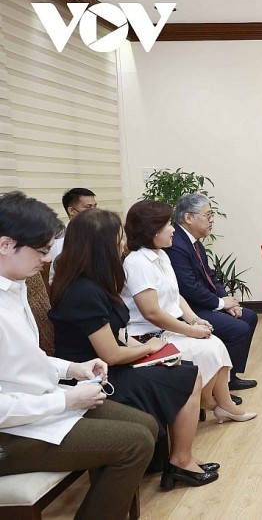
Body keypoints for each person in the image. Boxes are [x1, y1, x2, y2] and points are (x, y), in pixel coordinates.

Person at [0, 191, 157, 519]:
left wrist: (74, 368)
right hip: (10, 433)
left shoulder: (15, 288)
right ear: (6, 244)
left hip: (35, 407)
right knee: (134, 442)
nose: (46, 260)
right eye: (42, 251)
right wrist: (66, 402)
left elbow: (26, 359)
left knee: (145, 424)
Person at [50, 208, 219, 490]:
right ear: (101, 247)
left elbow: (118, 335)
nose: (123, 246)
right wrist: (150, 347)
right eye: (118, 241)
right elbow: (111, 355)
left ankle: (174, 458)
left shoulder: (95, 283)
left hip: (109, 367)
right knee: (189, 377)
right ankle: (180, 461)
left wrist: (146, 349)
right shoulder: (83, 292)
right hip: (95, 378)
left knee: (183, 369)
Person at [122, 200, 256, 424]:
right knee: (207, 348)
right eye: (167, 224)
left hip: (168, 327)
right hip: (148, 335)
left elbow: (177, 296)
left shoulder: (161, 256)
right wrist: (190, 331)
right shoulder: (138, 263)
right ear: (152, 230)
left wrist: (195, 320)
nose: (173, 228)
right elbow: (152, 313)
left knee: (215, 343)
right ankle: (213, 403)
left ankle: (223, 405)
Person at [166, 193, 257, 391]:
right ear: (188, 218)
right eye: (208, 215)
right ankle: (218, 387)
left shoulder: (194, 242)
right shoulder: (176, 245)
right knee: (238, 329)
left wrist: (227, 301)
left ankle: (230, 377)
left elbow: (210, 277)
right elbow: (188, 287)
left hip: (203, 303)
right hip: (189, 310)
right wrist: (221, 304)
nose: (212, 219)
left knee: (248, 317)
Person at [48, 187, 97, 282]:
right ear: (72, 211)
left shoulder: (97, 231)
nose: (95, 212)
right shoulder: (61, 237)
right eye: (88, 207)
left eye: (95, 206)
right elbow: (61, 273)